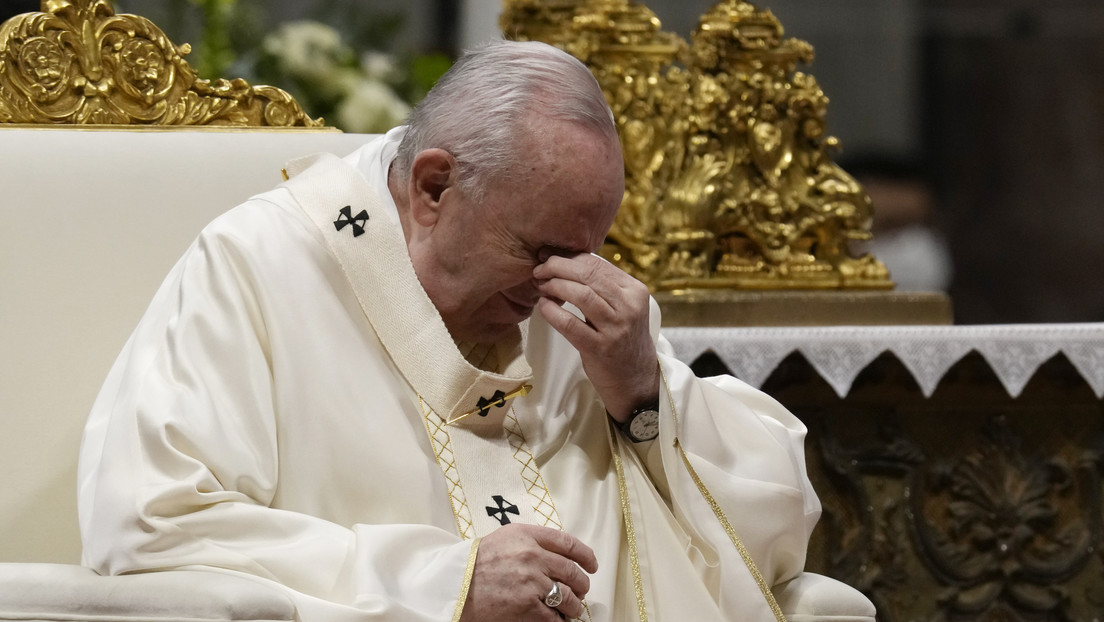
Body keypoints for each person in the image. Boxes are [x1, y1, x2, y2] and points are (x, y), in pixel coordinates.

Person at [77, 40, 870, 621]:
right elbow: (150, 526)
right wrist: (443, 583)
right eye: (538, 252)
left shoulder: (584, 308)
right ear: (433, 187)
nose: (556, 288)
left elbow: (770, 526)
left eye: (587, 252)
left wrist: (640, 394)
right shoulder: (257, 269)